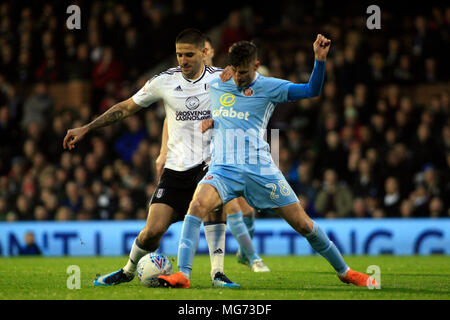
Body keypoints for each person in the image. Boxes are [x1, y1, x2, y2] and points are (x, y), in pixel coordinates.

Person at [158, 35, 378, 288]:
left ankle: (345, 272)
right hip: (224, 169)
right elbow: (207, 91)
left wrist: (319, 60)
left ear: (256, 65)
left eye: (244, 72)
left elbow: (311, 90)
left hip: (260, 170)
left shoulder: (271, 87)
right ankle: (183, 275)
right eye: (236, 71)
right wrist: (214, 121)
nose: (238, 78)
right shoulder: (219, 83)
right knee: (196, 205)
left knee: (303, 224)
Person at [63, 29, 263, 288]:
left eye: (189, 54)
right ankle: (127, 269)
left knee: (214, 207)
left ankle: (218, 274)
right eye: (179, 54)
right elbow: (125, 107)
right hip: (176, 170)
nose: (183, 60)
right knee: (152, 233)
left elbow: (254, 92)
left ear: (204, 53)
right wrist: (87, 128)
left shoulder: (221, 79)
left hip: (210, 163)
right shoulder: (164, 81)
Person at [155, 35, 267, 271]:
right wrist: (163, 151)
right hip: (206, 158)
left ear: (209, 51)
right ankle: (249, 259)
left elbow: (243, 105)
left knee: (246, 210)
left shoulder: (225, 78)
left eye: (200, 51)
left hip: (231, 150)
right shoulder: (189, 83)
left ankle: (245, 255)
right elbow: (172, 118)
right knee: (229, 208)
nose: (193, 56)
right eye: (183, 55)